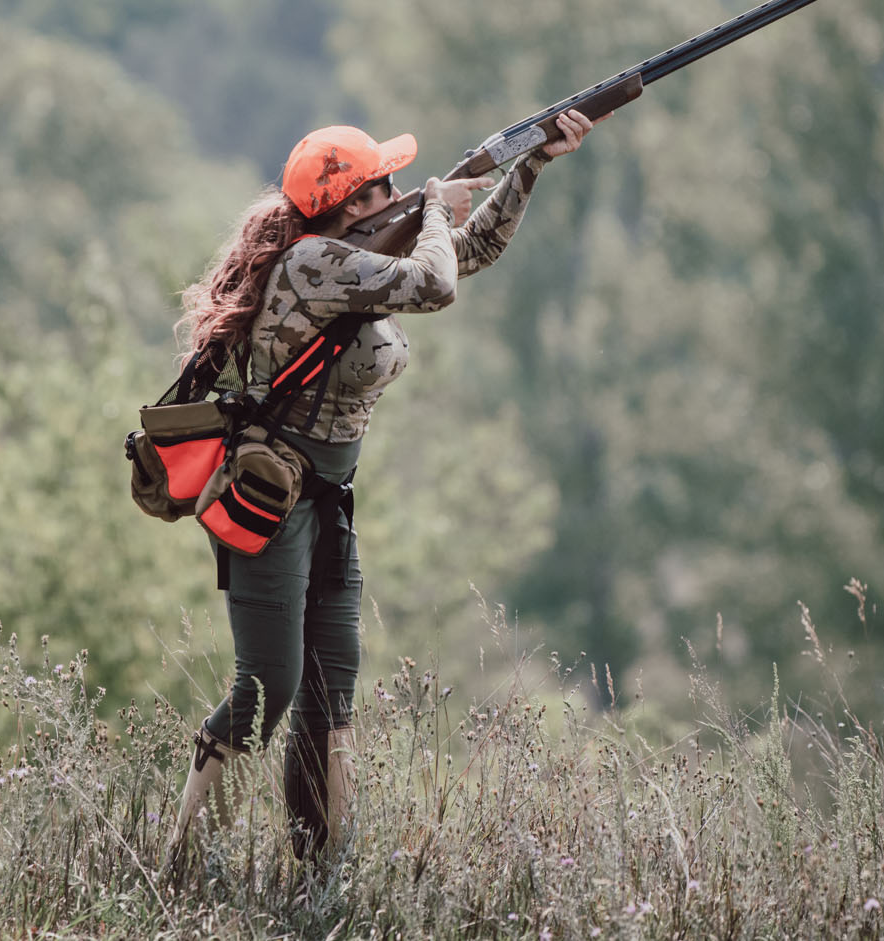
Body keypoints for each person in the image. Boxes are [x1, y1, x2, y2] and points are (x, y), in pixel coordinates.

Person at [164, 108, 601, 869]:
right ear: (352, 205)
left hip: (332, 500)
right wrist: (433, 208)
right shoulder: (310, 266)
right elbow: (436, 280)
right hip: (271, 498)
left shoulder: (357, 259)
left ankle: (320, 869)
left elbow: (473, 251)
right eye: (387, 185)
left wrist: (530, 164)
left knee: (332, 692)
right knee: (266, 691)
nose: (402, 189)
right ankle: (181, 856)